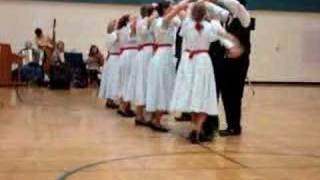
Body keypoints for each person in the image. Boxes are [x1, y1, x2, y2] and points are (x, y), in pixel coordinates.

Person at [170, 1, 242, 143]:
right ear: (205, 14)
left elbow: (179, 12)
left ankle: (195, 128)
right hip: (202, 61)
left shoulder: (186, 24)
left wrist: (182, 6)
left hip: (188, 61)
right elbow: (223, 36)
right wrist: (234, 44)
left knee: (191, 93)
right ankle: (198, 128)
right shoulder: (210, 27)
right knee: (203, 94)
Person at [206, 0, 252, 136]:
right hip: (227, 62)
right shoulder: (229, 17)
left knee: (234, 95)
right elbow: (216, 11)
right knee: (226, 94)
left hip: (239, 63)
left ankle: (235, 126)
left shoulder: (244, 16)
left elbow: (235, 5)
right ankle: (228, 125)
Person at [132, 5, 157, 126]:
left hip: (145, 53)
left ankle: (142, 114)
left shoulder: (143, 22)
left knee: (144, 84)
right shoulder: (143, 22)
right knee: (144, 83)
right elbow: (143, 32)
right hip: (146, 53)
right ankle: (141, 114)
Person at [117, 14, 139, 117]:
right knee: (128, 82)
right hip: (130, 55)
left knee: (124, 81)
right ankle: (124, 107)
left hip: (125, 55)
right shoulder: (128, 28)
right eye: (132, 18)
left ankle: (125, 106)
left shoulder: (121, 29)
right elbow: (133, 32)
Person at [99, 20, 121, 109]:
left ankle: (110, 99)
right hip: (114, 58)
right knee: (113, 79)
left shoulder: (110, 35)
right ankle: (110, 99)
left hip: (113, 58)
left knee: (111, 79)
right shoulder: (113, 35)